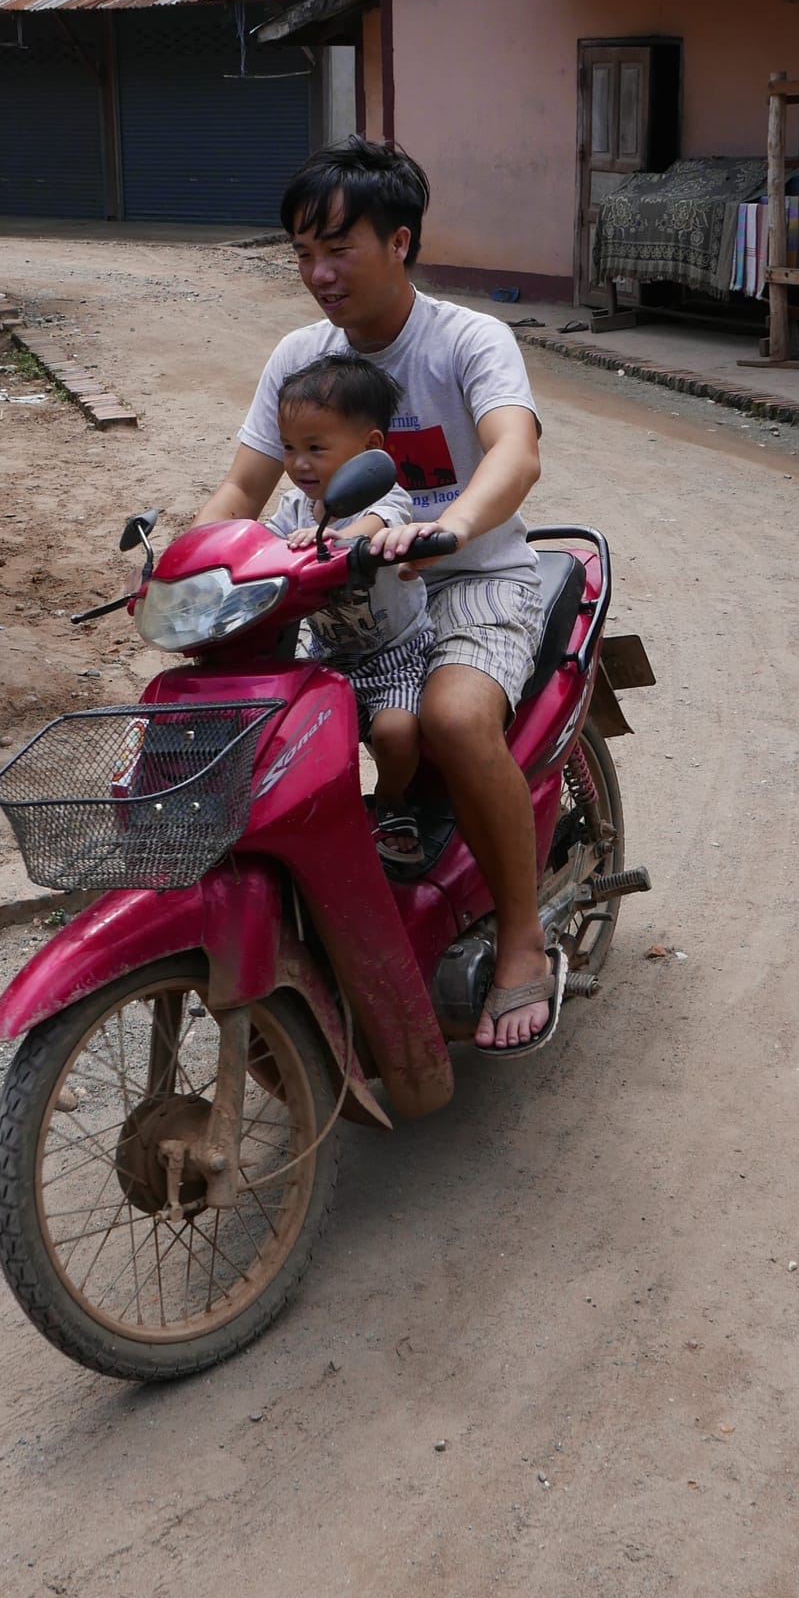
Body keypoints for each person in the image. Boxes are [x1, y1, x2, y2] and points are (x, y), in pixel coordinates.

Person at [199, 137, 555, 1051]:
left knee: (453, 719)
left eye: (338, 247)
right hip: (340, 590)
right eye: (301, 253)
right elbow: (243, 489)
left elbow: (515, 449)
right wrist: (190, 563)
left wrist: (456, 527)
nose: (318, 273)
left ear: (400, 241)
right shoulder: (299, 356)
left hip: (470, 576)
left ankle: (522, 940)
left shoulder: (471, 339)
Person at [259, 353, 433, 856]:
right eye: (289, 448)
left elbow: (373, 527)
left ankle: (394, 799)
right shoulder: (293, 507)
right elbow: (262, 543)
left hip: (395, 654)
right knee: (288, 734)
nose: (298, 463)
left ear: (369, 450)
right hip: (327, 653)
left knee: (395, 732)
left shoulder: (386, 497)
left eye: (315, 447)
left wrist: (336, 540)